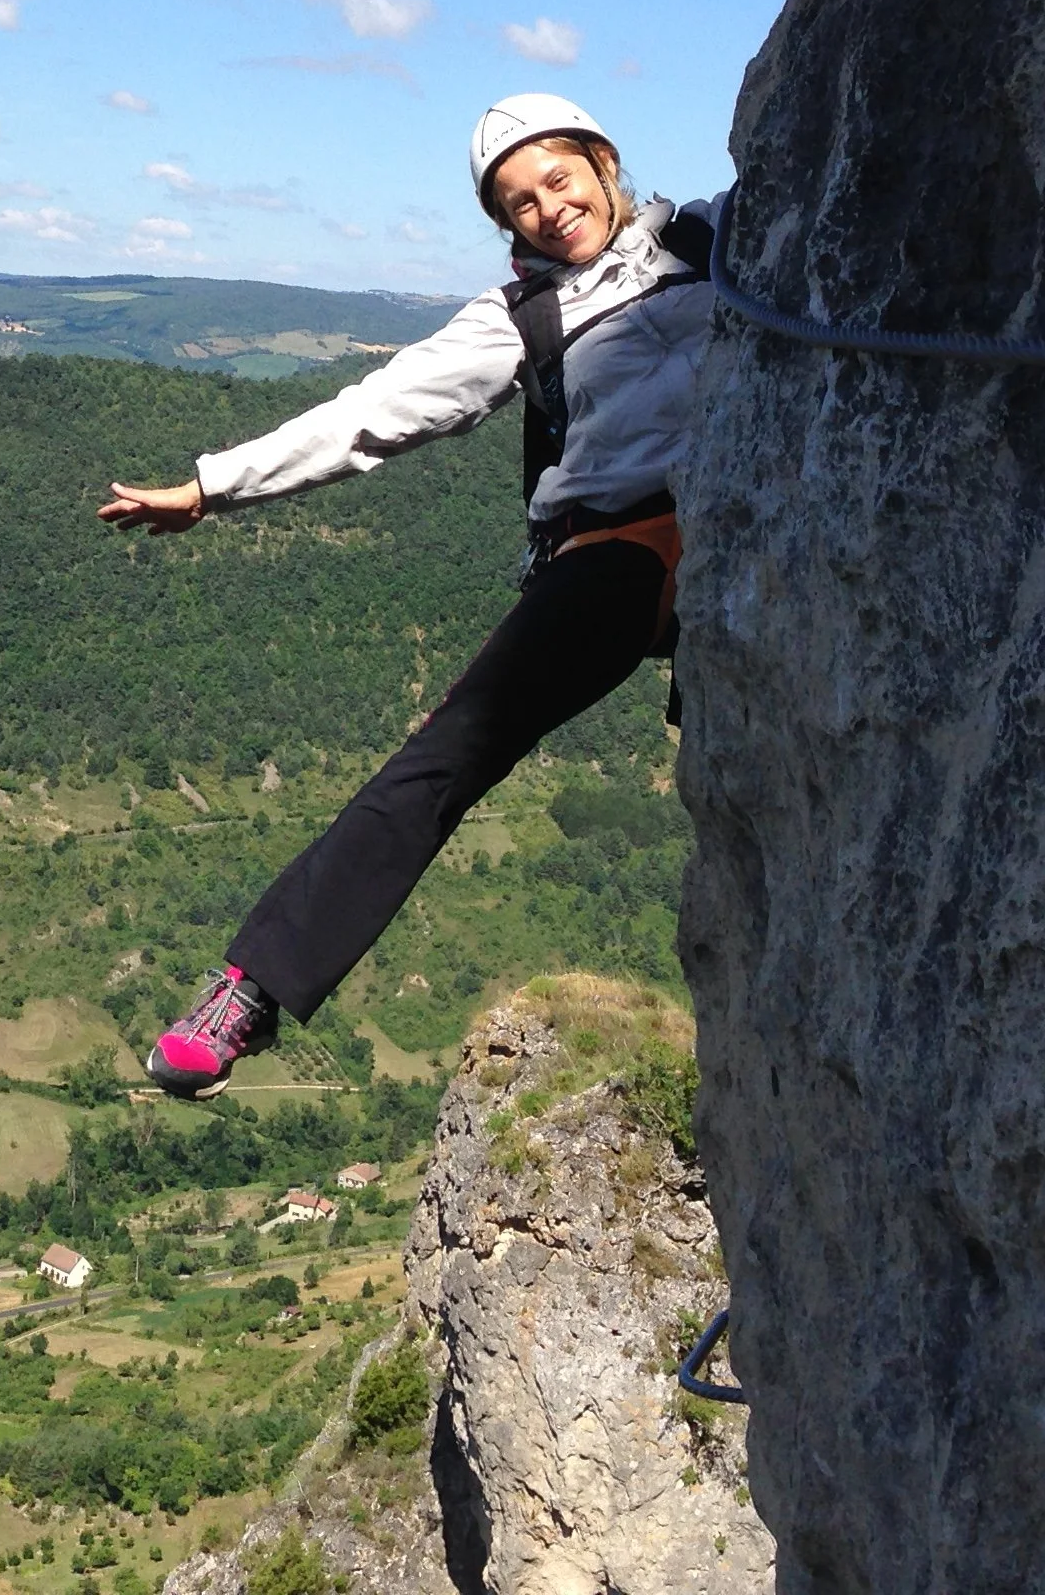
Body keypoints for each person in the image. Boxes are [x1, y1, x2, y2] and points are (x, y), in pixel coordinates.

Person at [100, 93, 723, 1098]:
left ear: (604, 164)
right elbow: (370, 416)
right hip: (616, 547)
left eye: (558, 179)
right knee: (447, 753)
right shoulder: (521, 317)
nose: (547, 209)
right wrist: (210, 488)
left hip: (752, 531)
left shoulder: (711, 236)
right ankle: (249, 993)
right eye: (517, 203)